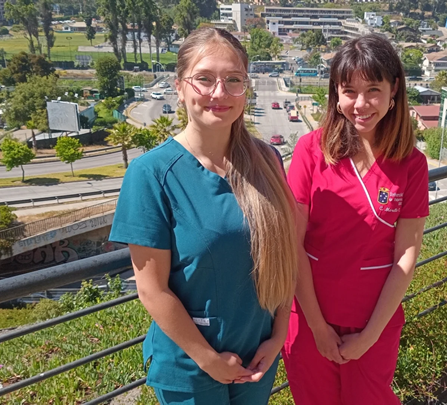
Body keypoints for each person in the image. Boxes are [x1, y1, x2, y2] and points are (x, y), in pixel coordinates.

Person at [109, 28, 298, 405]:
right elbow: (151, 290)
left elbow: (282, 254)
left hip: (257, 357)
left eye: (233, 80)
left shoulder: (267, 160)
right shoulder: (151, 174)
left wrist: (278, 335)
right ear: (180, 87)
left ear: (246, 88)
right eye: (205, 79)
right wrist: (208, 359)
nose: (219, 93)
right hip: (191, 369)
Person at [281, 34, 429, 404]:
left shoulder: (412, 165)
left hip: (373, 321)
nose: (360, 104)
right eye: (349, 91)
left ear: (394, 90)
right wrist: (318, 327)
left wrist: (370, 336)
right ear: (336, 93)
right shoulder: (311, 150)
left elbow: (406, 255)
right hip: (310, 315)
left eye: (373, 90)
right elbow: (292, 243)